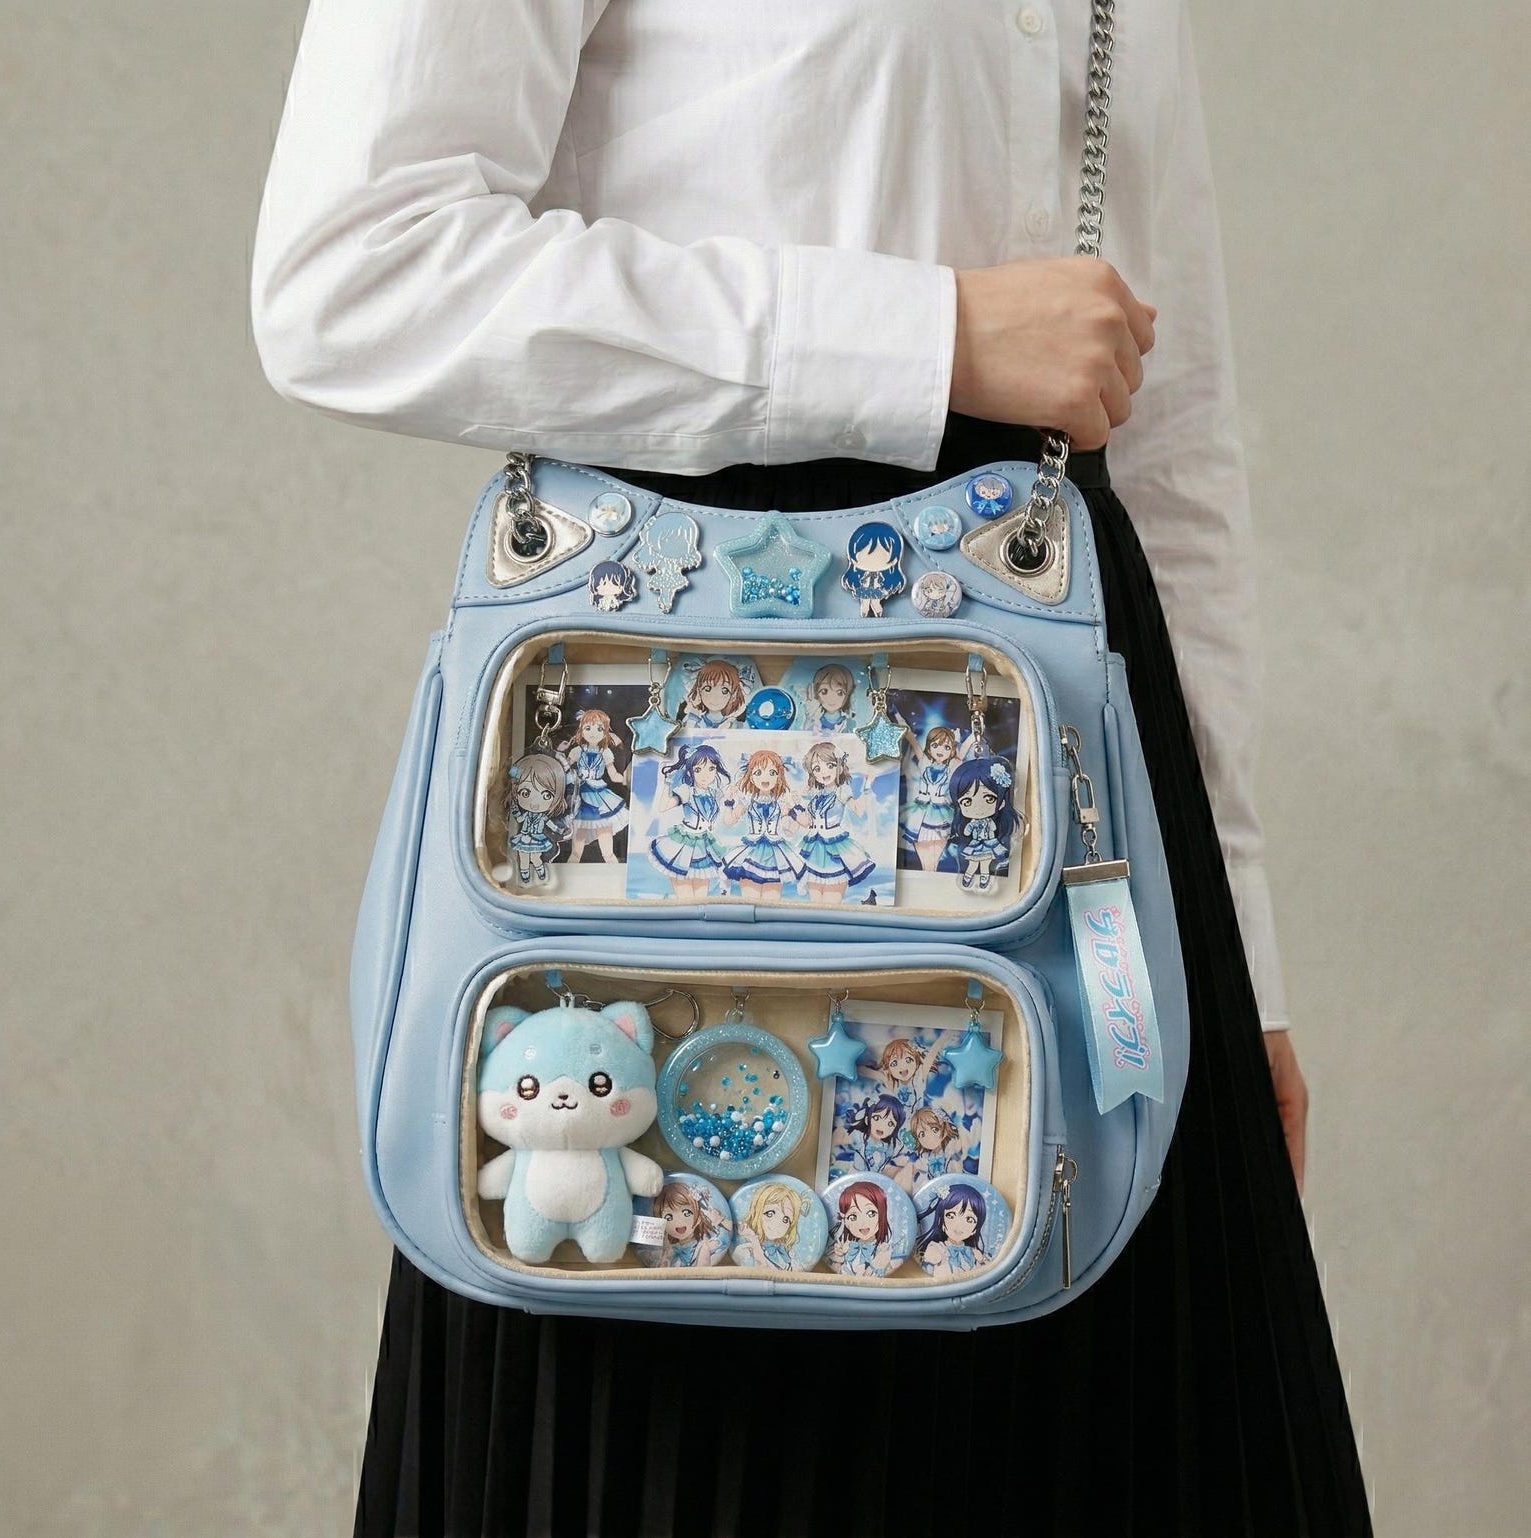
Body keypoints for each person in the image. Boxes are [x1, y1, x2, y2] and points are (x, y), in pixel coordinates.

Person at [251, 2, 1370, 1532]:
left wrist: (1235, 950)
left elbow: (1163, 429)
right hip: (661, 744)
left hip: (1064, 750)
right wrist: (924, 338)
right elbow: (349, 271)